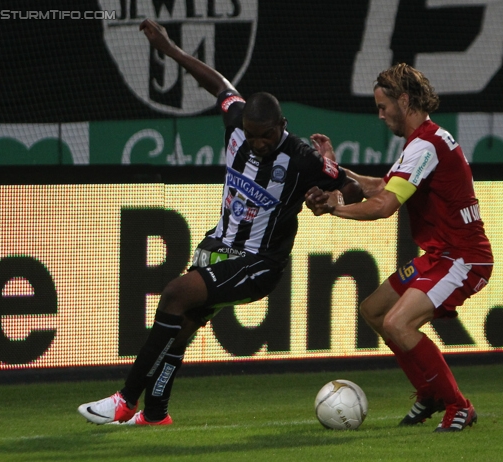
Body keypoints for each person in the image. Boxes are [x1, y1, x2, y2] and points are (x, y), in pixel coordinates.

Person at [78, 19, 361, 426]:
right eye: (251, 135)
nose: (256, 143)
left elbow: (351, 189)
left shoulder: (301, 157)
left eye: (265, 136)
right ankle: (156, 414)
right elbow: (220, 85)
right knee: (183, 325)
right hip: (219, 247)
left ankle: (124, 400)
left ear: (281, 127)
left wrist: (329, 197)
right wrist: (170, 49)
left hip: (259, 263)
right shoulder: (238, 122)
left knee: (175, 295)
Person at [305, 63, 494, 432]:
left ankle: (458, 405)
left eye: (383, 106)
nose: (380, 115)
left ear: (403, 100)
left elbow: (384, 206)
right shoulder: (425, 141)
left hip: (463, 259)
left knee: (397, 322)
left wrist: (335, 207)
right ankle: (429, 393)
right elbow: (381, 187)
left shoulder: (425, 144)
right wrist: (335, 170)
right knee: (375, 311)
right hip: (440, 256)